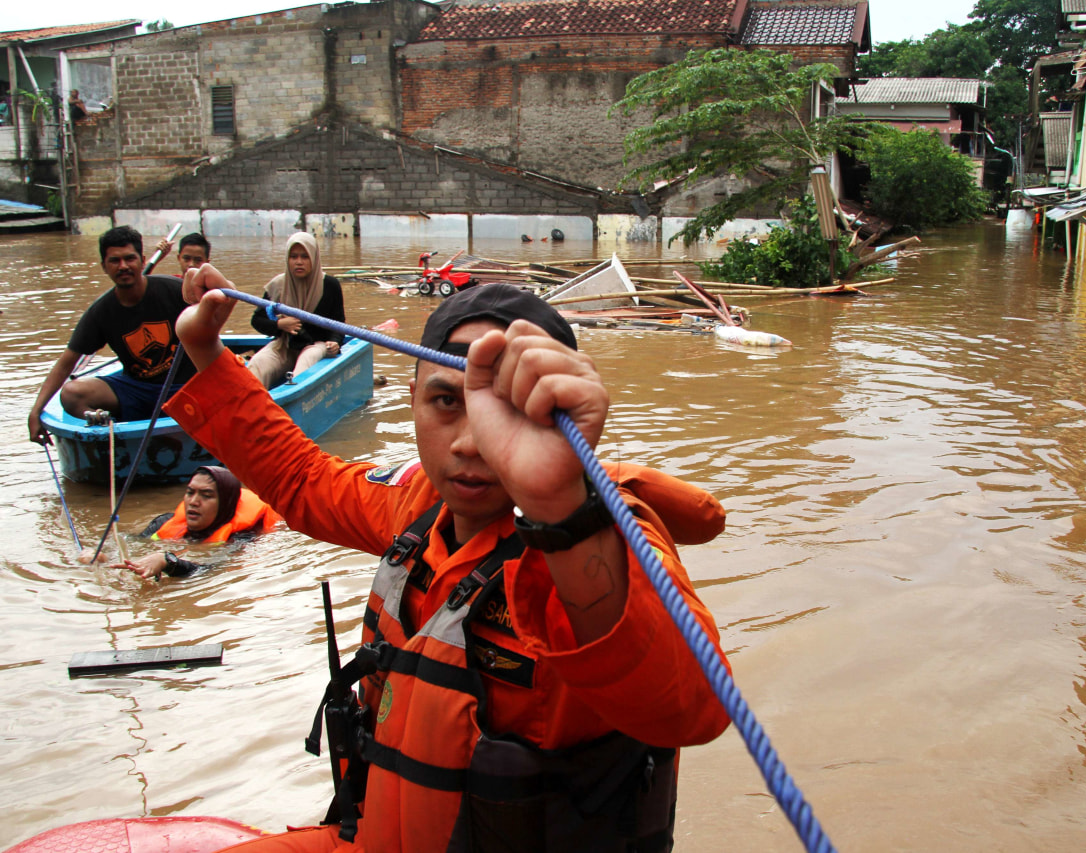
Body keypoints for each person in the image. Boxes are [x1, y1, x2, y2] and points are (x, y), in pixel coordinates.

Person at [164, 272, 731, 852]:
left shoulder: (602, 532)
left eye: (508, 411)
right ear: (411, 402)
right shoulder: (417, 504)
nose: (471, 442)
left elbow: (692, 710)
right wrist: (205, 353)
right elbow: (303, 479)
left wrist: (561, 508)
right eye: (445, 402)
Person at [28, 225, 196, 444]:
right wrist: (36, 410)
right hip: (138, 389)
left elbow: (213, 322)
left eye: (129, 259)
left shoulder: (175, 290)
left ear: (142, 260)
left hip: (186, 386)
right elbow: (66, 363)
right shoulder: (101, 312)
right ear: (104, 267)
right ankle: (113, 431)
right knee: (71, 393)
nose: (123, 266)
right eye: (115, 261)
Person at [115, 465, 283, 579]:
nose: (194, 501)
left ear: (226, 503)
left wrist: (167, 561)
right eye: (190, 492)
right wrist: (100, 558)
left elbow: (210, 572)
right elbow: (127, 543)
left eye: (206, 495)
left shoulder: (241, 539)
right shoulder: (164, 522)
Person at [247, 233, 345, 388]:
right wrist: (280, 324)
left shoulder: (329, 285)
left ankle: (293, 401)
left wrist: (335, 342)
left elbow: (338, 323)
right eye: (293, 257)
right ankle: (252, 406)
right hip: (285, 345)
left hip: (316, 345)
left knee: (306, 363)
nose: (299, 262)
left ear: (314, 258)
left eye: (305, 257)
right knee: (257, 364)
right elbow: (257, 320)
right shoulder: (278, 285)